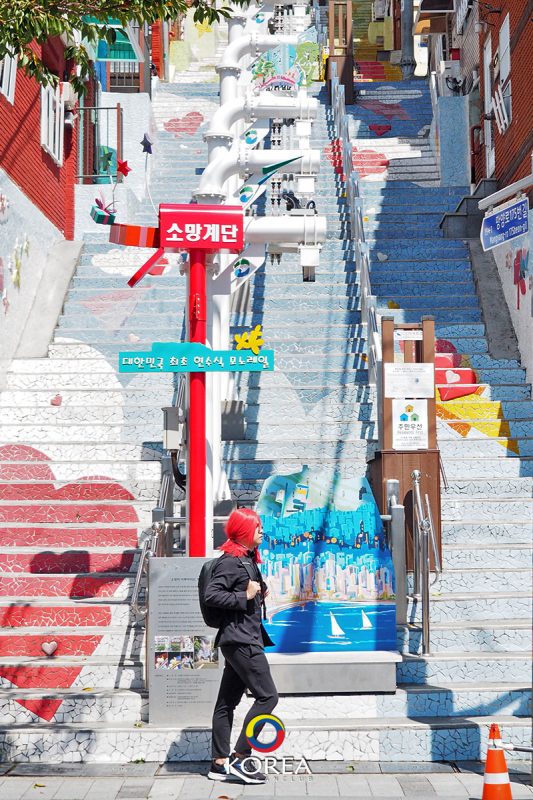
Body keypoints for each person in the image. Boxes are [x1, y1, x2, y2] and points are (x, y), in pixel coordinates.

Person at [205, 508, 278, 785]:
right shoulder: (230, 561)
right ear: (244, 531)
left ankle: (218, 763)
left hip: (241, 637)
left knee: (226, 703)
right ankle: (239, 756)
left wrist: (260, 589)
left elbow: (245, 588)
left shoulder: (246, 558)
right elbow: (212, 594)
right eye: (257, 527)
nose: (261, 530)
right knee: (268, 697)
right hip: (242, 640)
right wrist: (243, 595)